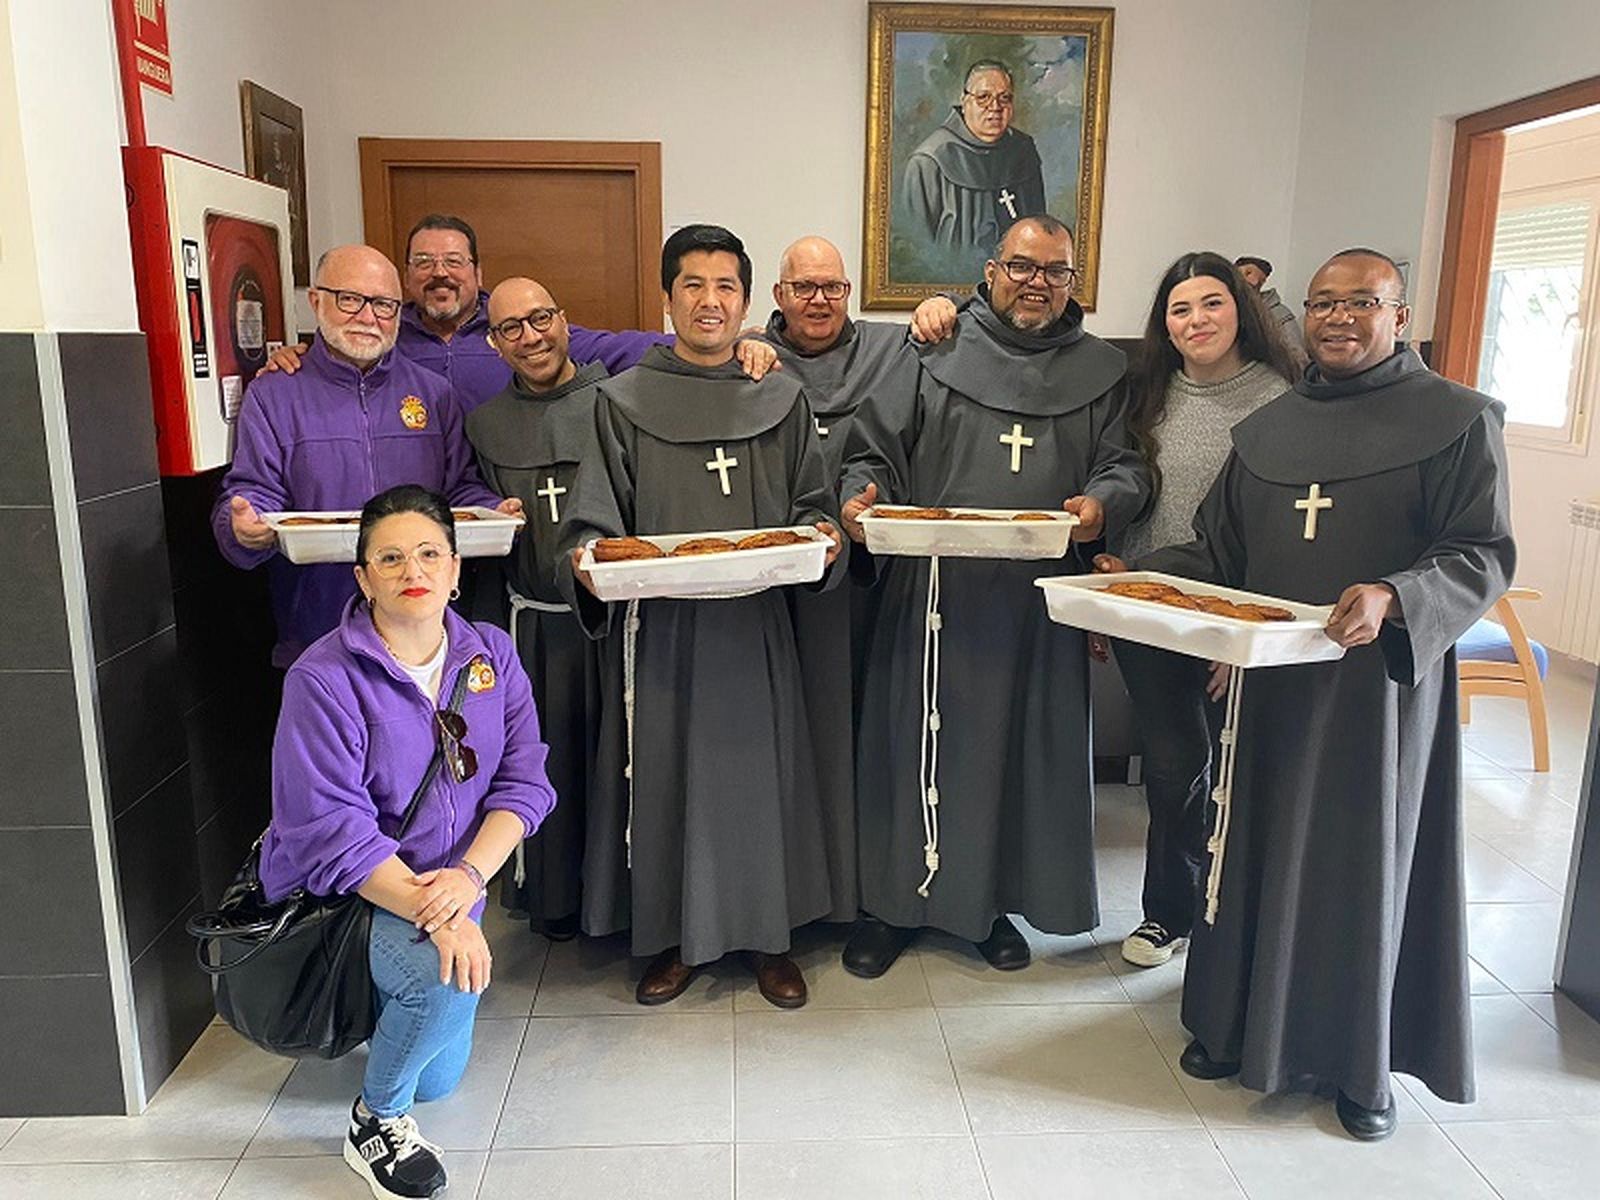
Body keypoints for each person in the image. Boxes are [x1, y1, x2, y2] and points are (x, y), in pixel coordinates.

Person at [1099, 248, 1515, 1141]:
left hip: (1378, 701)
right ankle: (1225, 1022)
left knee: (1351, 866)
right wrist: (1129, 577)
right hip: (1266, 695)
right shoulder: (1270, 431)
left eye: (1360, 302)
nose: (1335, 317)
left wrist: (1397, 594)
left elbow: (1481, 552)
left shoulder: (1459, 421)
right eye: (1322, 302)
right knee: (1245, 846)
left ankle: (1359, 1069)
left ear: (1398, 316)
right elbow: (1217, 554)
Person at [836, 214, 1150, 978]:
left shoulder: (1101, 372)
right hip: (930, 590)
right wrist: (860, 494)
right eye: (1022, 266)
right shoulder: (935, 348)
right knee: (913, 745)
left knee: (1013, 757)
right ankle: (892, 907)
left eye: (1055, 271)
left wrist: (1101, 503)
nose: (1037, 282)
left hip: (1036, 603)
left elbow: (1128, 466)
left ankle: (989, 907)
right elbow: (872, 447)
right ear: (990, 270)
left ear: (1074, 283)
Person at [560, 224, 844, 1009]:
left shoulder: (779, 396)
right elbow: (592, 521)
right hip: (663, 637)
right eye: (693, 285)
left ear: (747, 302)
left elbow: (814, 509)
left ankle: (769, 938)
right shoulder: (620, 403)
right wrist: (586, 555)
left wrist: (824, 537)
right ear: (667, 297)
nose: (709, 301)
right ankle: (675, 939)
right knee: (667, 783)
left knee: (759, 784)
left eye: (725, 287)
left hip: (755, 633)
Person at [259, 484, 557, 1200]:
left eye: (428, 553)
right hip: (353, 889)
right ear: (362, 578)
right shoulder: (322, 678)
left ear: (456, 569)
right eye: (388, 558)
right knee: (445, 983)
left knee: (440, 1080)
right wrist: (442, 913)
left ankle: (393, 1003)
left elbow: (525, 785)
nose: (410, 570)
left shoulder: (492, 659)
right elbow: (333, 833)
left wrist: (470, 881)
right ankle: (374, 1121)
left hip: (449, 886)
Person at [1111, 251, 1299, 970]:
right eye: (1181, 309)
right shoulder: (1148, 395)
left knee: (1239, 771)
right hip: (1152, 611)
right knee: (1173, 765)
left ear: (1241, 309)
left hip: (1238, 620)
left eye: (1212, 303)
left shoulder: (1283, 399)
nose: (1197, 321)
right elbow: (1134, 496)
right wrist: (1114, 589)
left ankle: (1237, 916)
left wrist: (1238, 634)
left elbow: (1280, 526)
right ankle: (1169, 914)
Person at [211, 244, 514, 667]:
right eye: (350, 299)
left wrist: (493, 509)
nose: (368, 317)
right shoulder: (274, 395)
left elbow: (459, 487)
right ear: (317, 301)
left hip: (424, 633)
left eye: (384, 304)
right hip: (317, 634)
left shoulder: (434, 394)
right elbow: (252, 494)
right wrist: (241, 525)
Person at [757, 235, 913, 924]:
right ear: (778, 296)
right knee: (790, 738)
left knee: (870, 733)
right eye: (804, 287)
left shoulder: (890, 349)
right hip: (775, 591)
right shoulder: (747, 362)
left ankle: (867, 891)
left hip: (869, 584)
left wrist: (942, 303)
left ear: (850, 292)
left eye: (833, 287)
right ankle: (792, 893)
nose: (819, 300)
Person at [464, 277, 614, 943]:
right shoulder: (484, 425)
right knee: (544, 760)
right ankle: (552, 897)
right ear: (495, 344)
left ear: (565, 319)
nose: (531, 337)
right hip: (532, 626)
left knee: (614, 760)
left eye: (541, 319)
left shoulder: (617, 402)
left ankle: (619, 897)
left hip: (611, 621)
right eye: (511, 329)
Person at [259, 214, 678, 408]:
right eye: (424, 262)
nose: (440, 273)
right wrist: (298, 355)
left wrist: (733, 346)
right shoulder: (380, 335)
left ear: (478, 272)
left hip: (505, 505)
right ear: (406, 276)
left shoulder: (520, 334)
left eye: (454, 262)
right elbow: (333, 360)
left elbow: (630, 347)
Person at [902, 60, 1047, 276]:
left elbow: (1039, 233)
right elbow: (915, 247)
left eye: (1004, 98)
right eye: (983, 97)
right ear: (964, 101)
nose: (995, 107)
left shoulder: (1023, 152)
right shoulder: (929, 160)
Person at [1234, 255, 1302, 343]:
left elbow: (1296, 352)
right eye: (1248, 273)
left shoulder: (1279, 314)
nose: (1254, 281)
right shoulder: (1224, 308)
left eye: (1261, 281)